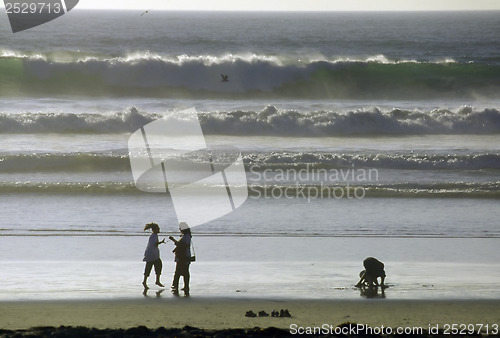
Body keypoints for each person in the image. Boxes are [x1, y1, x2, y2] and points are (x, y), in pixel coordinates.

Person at [169, 222, 192, 296]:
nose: (179, 229)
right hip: (184, 256)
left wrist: (174, 241)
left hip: (183, 256)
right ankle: (183, 286)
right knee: (183, 272)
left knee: (179, 272)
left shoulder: (186, 236)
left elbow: (184, 245)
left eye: (180, 228)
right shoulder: (186, 236)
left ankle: (177, 286)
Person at [142, 222, 165, 289]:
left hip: (153, 254)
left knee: (155, 266)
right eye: (158, 229)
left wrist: (160, 242)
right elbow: (154, 244)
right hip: (152, 255)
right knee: (150, 268)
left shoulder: (154, 235)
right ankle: (146, 281)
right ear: (154, 230)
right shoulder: (153, 236)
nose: (159, 230)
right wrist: (161, 242)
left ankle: (155, 281)